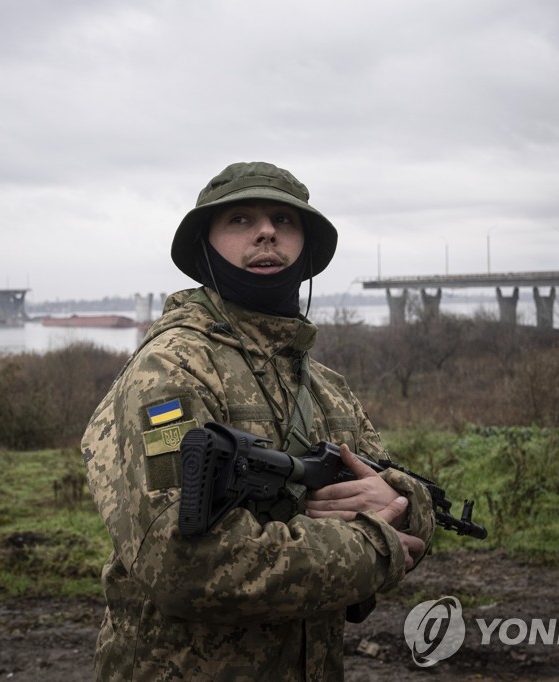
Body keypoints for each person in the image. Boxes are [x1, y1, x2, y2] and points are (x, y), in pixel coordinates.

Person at [81, 161, 435, 681]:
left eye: (284, 221)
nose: (267, 231)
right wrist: (372, 548)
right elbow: (179, 563)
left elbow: (386, 480)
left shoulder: (324, 386)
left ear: (305, 245)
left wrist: (404, 507)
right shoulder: (172, 370)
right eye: (241, 220)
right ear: (207, 245)